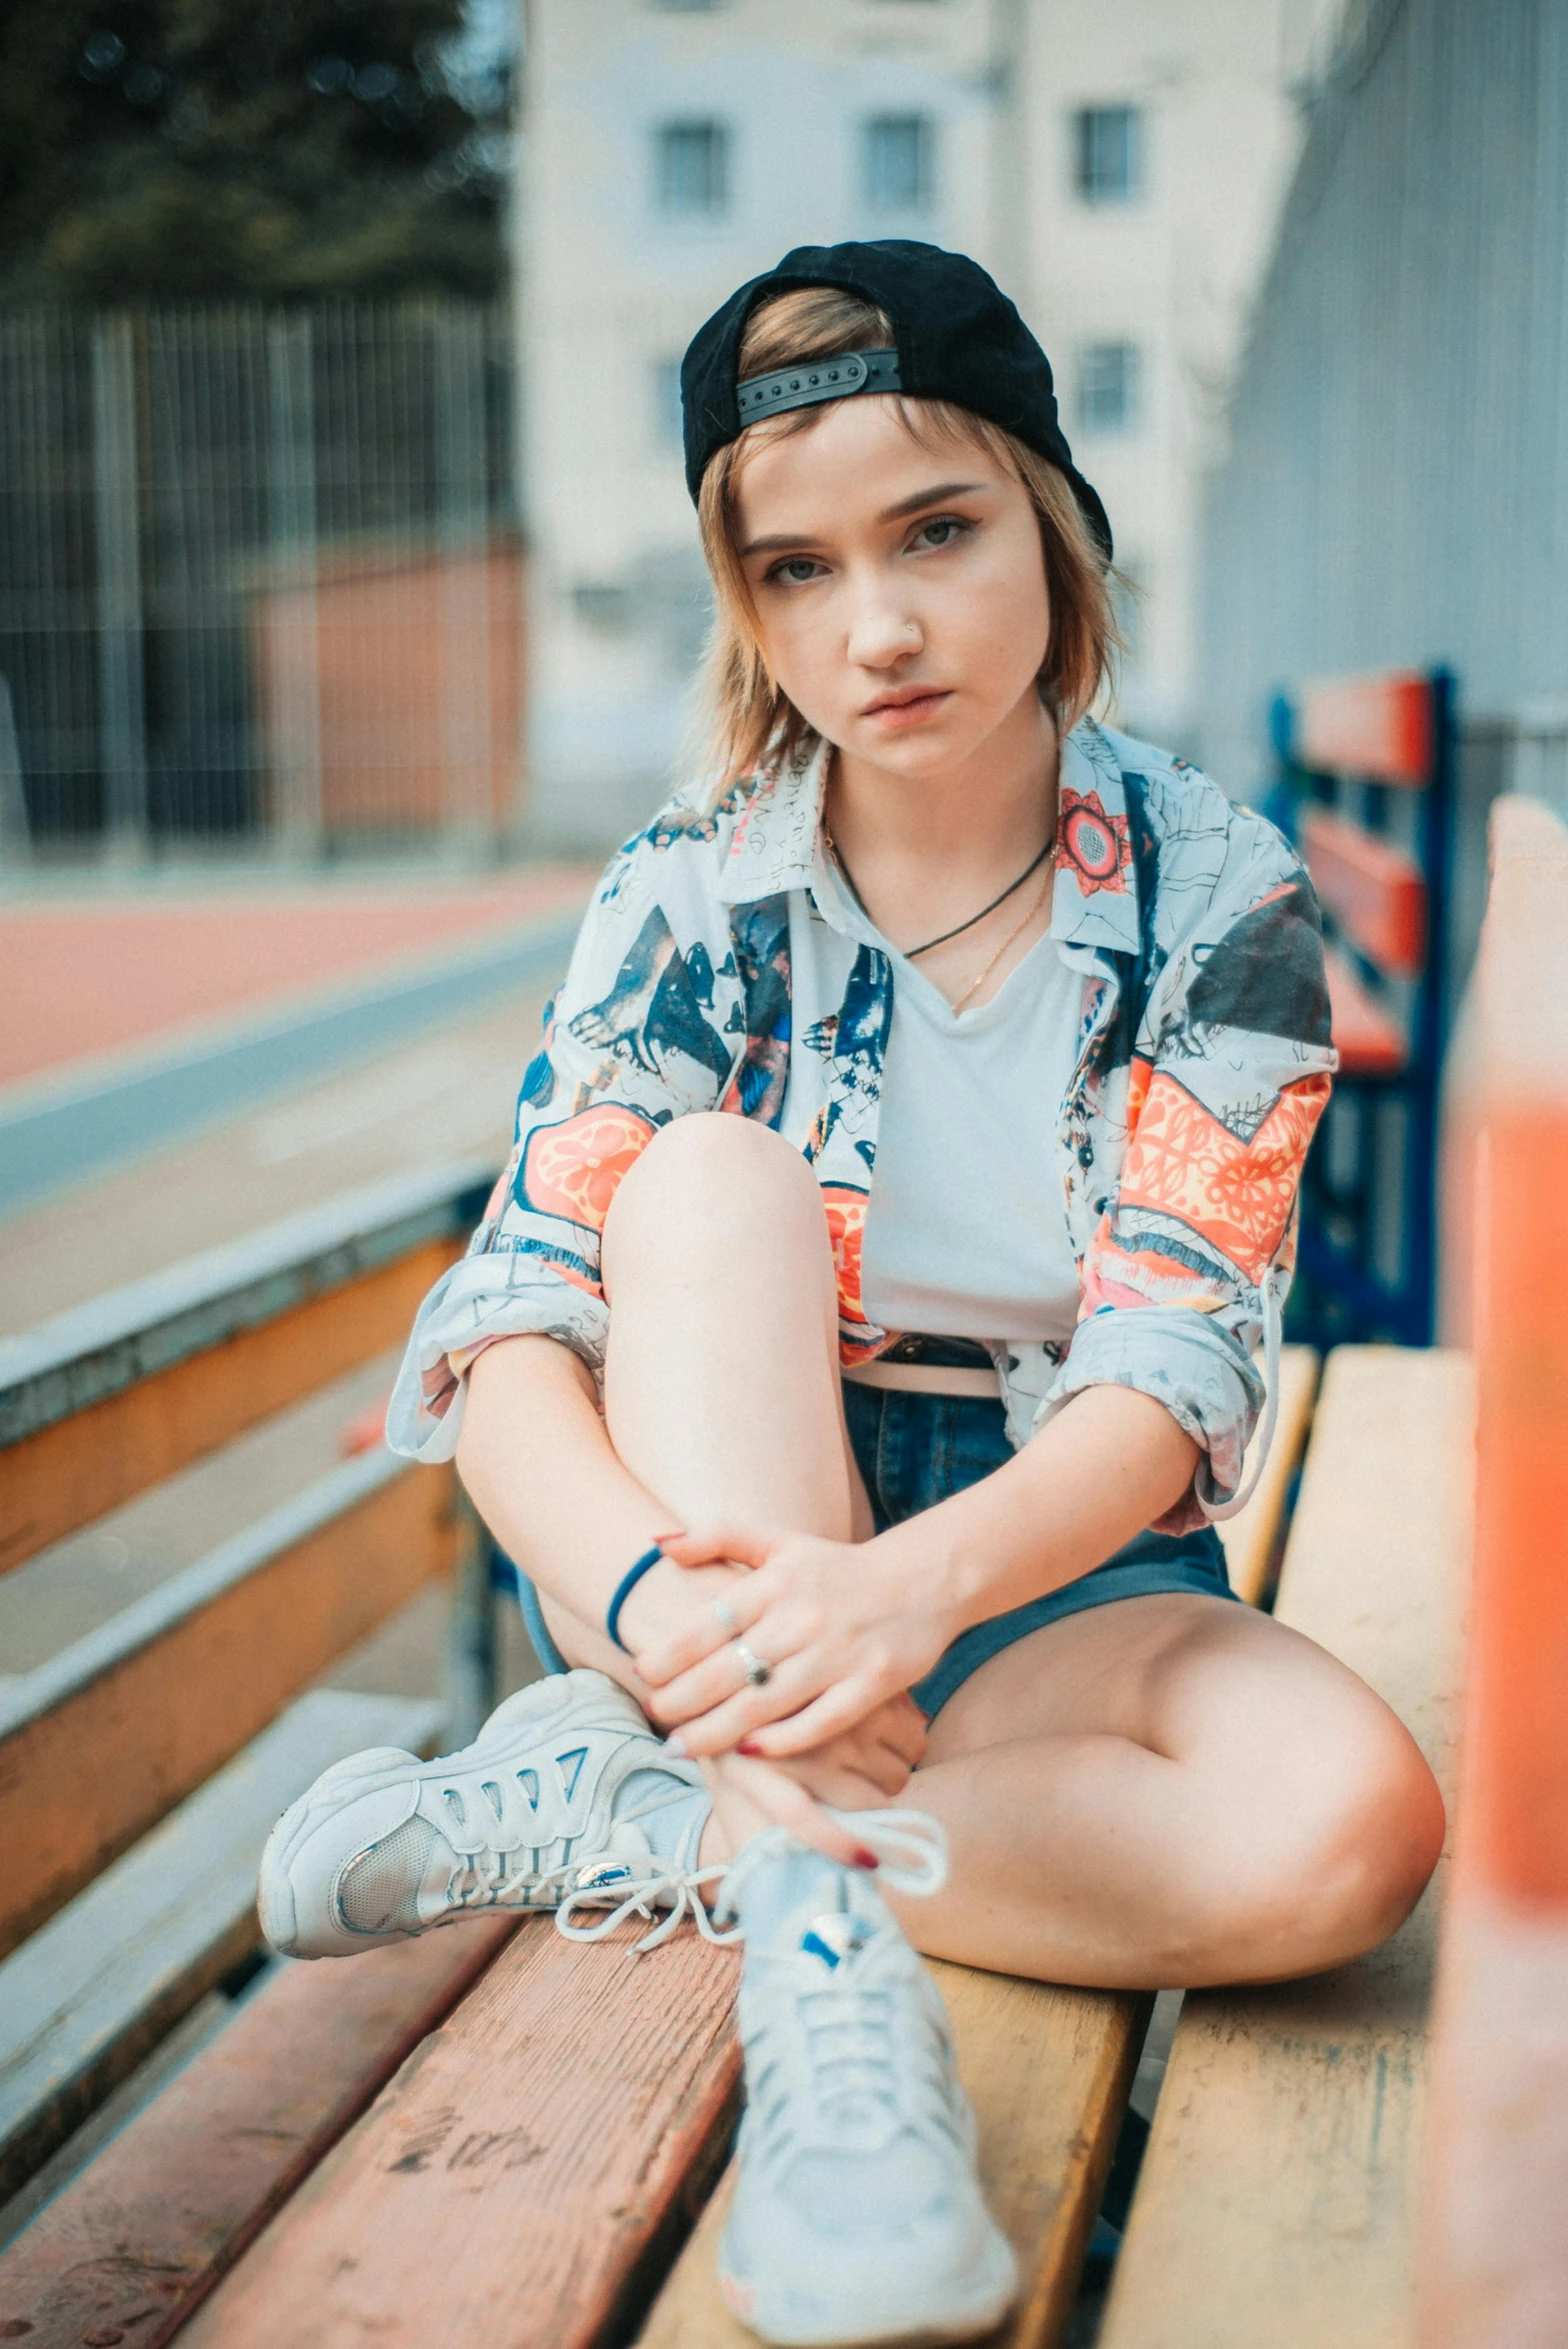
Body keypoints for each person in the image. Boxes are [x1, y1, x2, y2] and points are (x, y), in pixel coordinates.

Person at [259, 241, 1445, 2348]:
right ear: (744, 605)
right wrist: (651, 1610)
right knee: (703, 1185)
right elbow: (515, 1329)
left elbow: (1170, 1358)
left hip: (1057, 1539)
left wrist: (908, 1599)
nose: (874, 625)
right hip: (716, 1525)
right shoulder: (691, 890)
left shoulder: (1219, 890)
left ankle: (665, 1824)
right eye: (795, 570)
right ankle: (831, 2023)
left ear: (1047, 516)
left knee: (1351, 1836)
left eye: (934, 530)